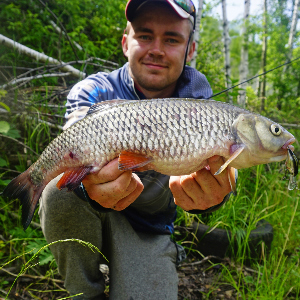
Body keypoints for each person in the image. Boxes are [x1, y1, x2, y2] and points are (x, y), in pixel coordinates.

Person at [38, 0, 232, 299]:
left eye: (171, 38)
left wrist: (217, 191)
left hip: (150, 228)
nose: (156, 48)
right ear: (126, 42)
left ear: (190, 50)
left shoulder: (200, 102)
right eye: (144, 35)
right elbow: (72, 144)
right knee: (57, 191)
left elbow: (223, 163)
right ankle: (84, 293)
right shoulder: (93, 90)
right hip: (90, 208)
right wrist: (89, 179)